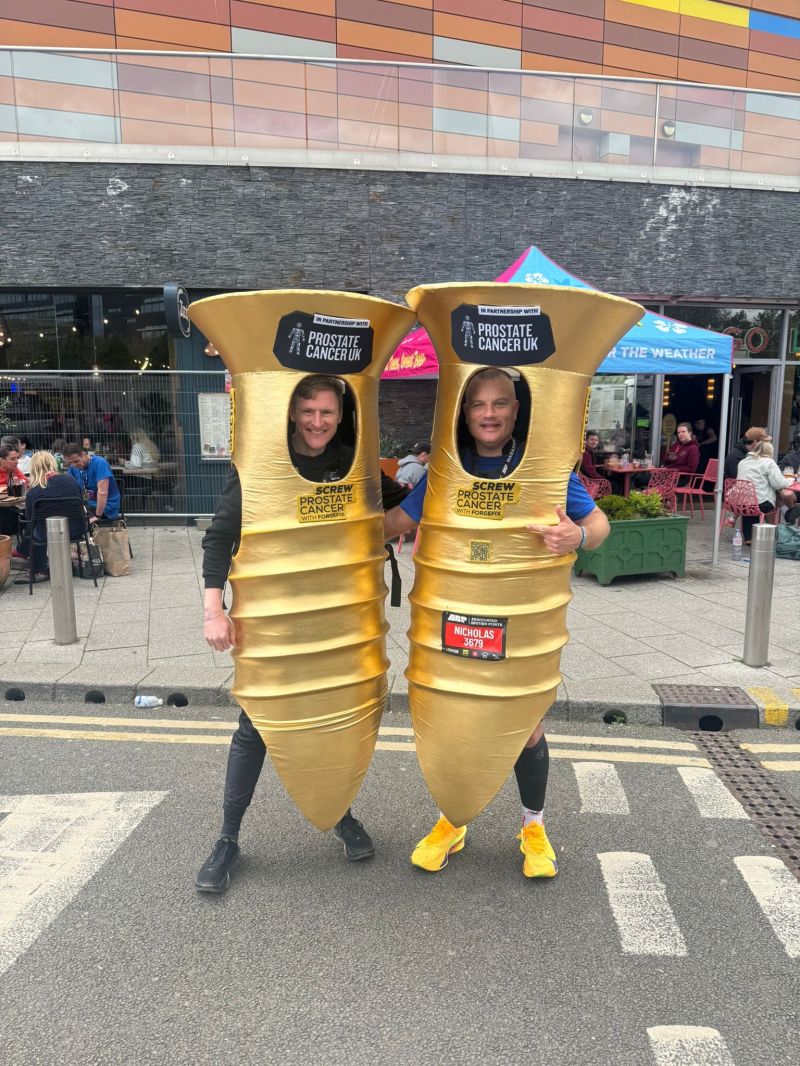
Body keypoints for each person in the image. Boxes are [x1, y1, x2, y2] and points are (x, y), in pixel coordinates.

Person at [382, 367, 610, 880]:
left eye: (500, 403)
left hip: (520, 628)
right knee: (456, 725)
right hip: (451, 624)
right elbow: (395, 522)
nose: (488, 413)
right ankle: (453, 819)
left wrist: (577, 538)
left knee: (525, 729)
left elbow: (598, 524)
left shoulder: (545, 468)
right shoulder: (443, 471)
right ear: (464, 412)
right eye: (478, 403)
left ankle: (533, 826)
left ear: (515, 409)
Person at [196, 374, 409, 895]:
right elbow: (220, 539)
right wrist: (213, 611)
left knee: (334, 717)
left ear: (341, 416)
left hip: (339, 625)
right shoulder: (261, 466)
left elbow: (406, 502)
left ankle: (338, 812)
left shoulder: (355, 463)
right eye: (309, 411)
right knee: (258, 724)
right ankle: (227, 839)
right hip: (276, 623)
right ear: (293, 413)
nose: (318, 422)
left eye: (328, 413)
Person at [14, 451, 84, 581]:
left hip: (48, 534)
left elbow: (30, 518)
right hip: (76, 530)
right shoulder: (70, 480)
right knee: (38, 528)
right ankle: (25, 553)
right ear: (53, 463)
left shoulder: (34, 491)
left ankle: (38, 569)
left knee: (34, 529)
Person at [737, 439, 796, 544]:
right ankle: (774, 531)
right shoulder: (769, 462)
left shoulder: (743, 462)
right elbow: (779, 483)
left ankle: (749, 537)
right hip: (760, 504)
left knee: (751, 500)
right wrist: (790, 480)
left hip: (739, 503)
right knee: (770, 499)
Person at [63, 442, 121, 523]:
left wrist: (97, 516)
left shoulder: (100, 463)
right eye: (70, 463)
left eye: (76, 461)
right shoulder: (73, 468)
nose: (74, 465)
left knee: (74, 515)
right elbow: (67, 486)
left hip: (106, 507)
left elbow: (103, 492)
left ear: (83, 454)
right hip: (87, 504)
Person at [0, 444, 25, 537]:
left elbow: (24, 482)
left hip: (12, 507)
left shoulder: (13, 469)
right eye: (13, 459)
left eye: (17, 458)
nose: (17, 462)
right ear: (1, 460)